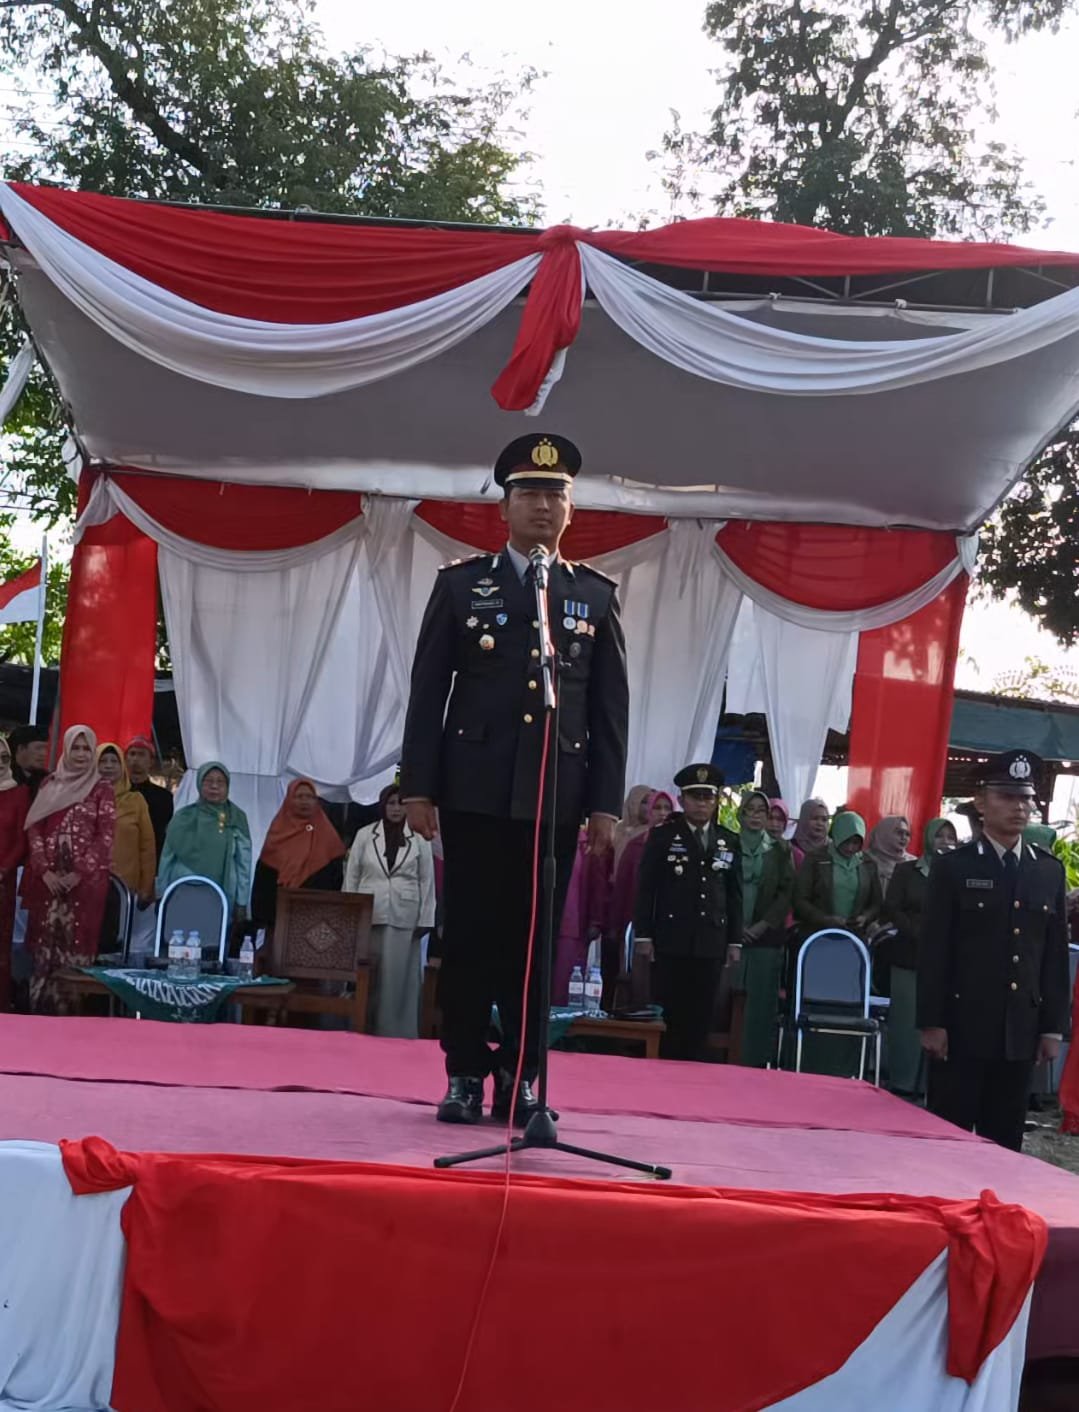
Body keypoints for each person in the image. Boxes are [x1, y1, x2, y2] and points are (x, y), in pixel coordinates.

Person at [400, 432, 628, 1125]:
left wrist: (605, 805)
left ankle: (522, 1076)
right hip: (474, 794)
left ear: (571, 511)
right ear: (503, 508)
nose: (542, 506)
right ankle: (465, 1072)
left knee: (534, 945)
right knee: (470, 937)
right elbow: (427, 693)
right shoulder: (462, 586)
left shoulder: (592, 596)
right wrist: (418, 787)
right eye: (528, 493)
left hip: (554, 799)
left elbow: (610, 709)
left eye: (555, 496)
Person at [918, 751, 1069, 1151]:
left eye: (1025, 798)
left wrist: (1052, 1026)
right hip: (962, 1027)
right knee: (948, 1139)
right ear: (981, 803)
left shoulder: (1047, 870)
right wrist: (932, 1021)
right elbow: (935, 949)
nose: (1019, 807)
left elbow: (1052, 957)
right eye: (1006, 796)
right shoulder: (954, 867)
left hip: (1019, 1031)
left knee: (1004, 1142)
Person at [633, 764, 742, 1061]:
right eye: (695, 797)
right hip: (671, 937)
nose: (701, 804)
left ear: (716, 801)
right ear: (682, 800)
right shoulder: (663, 836)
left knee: (702, 1011)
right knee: (669, 1008)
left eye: (708, 797)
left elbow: (734, 894)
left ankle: (693, 1070)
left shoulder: (728, 839)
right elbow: (646, 888)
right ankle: (664, 1067)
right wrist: (643, 935)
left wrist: (734, 940)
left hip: (711, 939)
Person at [23, 725, 116, 1011]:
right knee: (45, 948)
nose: (81, 754)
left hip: (85, 885)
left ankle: (72, 1017)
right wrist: (44, 871)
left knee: (76, 948)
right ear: (65, 749)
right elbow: (34, 828)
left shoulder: (102, 788)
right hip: (48, 882)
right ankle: (40, 1013)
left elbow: (106, 836)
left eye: (86, 748)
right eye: (75, 747)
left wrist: (80, 873)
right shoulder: (50, 784)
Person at [344, 784, 435, 1038]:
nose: (396, 809)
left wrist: (426, 917)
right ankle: (366, 1027)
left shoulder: (419, 837)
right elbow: (352, 876)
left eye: (401, 804)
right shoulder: (365, 835)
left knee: (398, 978)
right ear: (383, 806)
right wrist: (351, 914)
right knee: (370, 976)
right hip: (369, 914)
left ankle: (397, 1032)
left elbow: (427, 880)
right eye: (391, 803)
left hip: (405, 916)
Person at [880, 818, 958, 1094]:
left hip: (943, 960)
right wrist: (916, 932)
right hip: (908, 954)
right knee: (905, 1020)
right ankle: (901, 1082)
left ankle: (928, 1086)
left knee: (937, 1020)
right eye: (940, 836)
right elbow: (892, 908)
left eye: (951, 837)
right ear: (928, 838)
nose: (945, 842)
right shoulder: (906, 870)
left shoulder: (956, 873)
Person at [736, 789, 795, 1067]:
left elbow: (787, 893)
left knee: (760, 1004)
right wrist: (737, 925)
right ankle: (723, 1058)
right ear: (741, 814)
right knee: (728, 999)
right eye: (751, 810)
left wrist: (761, 925)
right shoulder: (727, 843)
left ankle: (757, 1062)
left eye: (762, 811)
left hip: (766, 936)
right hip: (731, 937)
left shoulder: (780, 850)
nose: (756, 816)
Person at [158, 762, 252, 918]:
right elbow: (167, 858)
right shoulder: (183, 817)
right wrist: (161, 894)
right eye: (208, 781)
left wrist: (241, 902)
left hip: (221, 895)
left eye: (220, 782)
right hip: (182, 892)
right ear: (199, 783)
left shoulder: (236, 818)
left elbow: (244, 862)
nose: (214, 786)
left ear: (227, 786)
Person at [251, 779, 346, 929]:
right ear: (289, 799)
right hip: (278, 916)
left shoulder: (328, 836)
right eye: (299, 796)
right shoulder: (277, 833)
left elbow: (336, 879)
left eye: (310, 797)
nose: (305, 801)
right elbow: (264, 880)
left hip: (316, 918)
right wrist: (262, 921)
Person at [793, 810, 883, 940]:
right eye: (846, 841)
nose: (850, 848)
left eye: (856, 843)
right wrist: (824, 919)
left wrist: (865, 917)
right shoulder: (816, 859)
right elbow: (800, 899)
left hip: (854, 936)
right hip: (817, 934)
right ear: (836, 835)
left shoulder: (868, 863)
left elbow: (876, 903)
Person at [97, 743, 156, 904]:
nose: (108, 766)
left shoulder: (136, 801)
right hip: (88, 884)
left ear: (122, 766)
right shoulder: (85, 799)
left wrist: (146, 887)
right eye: (103, 761)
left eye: (114, 761)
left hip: (126, 887)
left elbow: (147, 847)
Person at [0, 739, 29, 1010]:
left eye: (4, 758)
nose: (0, 763)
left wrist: (4, 869)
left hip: (3, 881)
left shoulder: (19, 793)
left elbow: (22, 840)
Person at [124, 734, 174, 863]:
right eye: (132, 754)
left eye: (141, 754)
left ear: (151, 761)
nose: (135, 759)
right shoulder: (117, 794)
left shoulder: (164, 797)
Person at [866, 816, 915, 893]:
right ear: (884, 833)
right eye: (899, 833)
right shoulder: (866, 859)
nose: (904, 838)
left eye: (907, 834)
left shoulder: (913, 863)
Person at [612, 785, 653, 870]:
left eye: (652, 802)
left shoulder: (651, 831)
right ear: (633, 803)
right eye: (644, 802)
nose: (649, 807)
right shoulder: (617, 828)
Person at [9, 725, 48, 800]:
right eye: (38, 748)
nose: (44, 753)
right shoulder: (4, 776)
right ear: (21, 749)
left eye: (46, 748)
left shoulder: (49, 780)